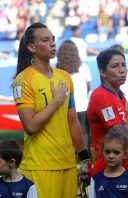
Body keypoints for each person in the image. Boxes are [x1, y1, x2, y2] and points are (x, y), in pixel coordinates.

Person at [11, 22, 90, 198]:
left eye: (53, 39)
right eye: (46, 40)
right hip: (40, 167)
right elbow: (30, 126)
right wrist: (56, 101)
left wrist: (83, 156)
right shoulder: (23, 81)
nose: (53, 43)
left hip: (68, 165)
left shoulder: (64, 77)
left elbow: (72, 120)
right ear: (31, 47)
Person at [87, 49, 128, 197]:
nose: (122, 70)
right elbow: (120, 137)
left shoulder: (118, 96)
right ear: (103, 72)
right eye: (115, 66)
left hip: (123, 172)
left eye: (123, 65)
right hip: (109, 176)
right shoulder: (102, 96)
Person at [57, 40, 91, 156]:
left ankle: (67, 156)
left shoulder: (57, 70)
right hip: (82, 105)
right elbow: (88, 86)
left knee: (65, 133)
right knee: (84, 132)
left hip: (65, 107)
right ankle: (86, 159)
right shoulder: (83, 67)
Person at [89, 128, 128, 198]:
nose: (111, 156)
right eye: (107, 152)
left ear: (125, 154)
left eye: (116, 152)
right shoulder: (95, 179)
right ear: (102, 152)